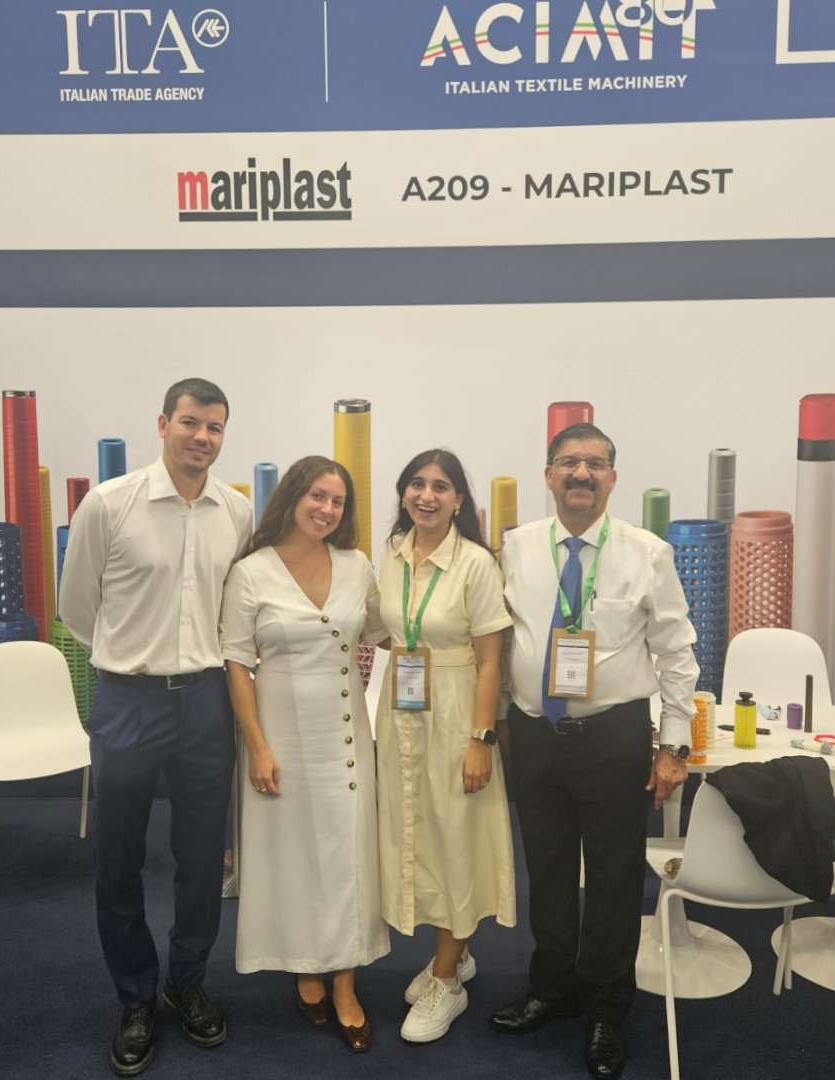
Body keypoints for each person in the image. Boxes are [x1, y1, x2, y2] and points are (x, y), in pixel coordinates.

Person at [490, 422, 698, 1080]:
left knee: (613, 878)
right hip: (534, 735)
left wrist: (673, 744)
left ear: (612, 477)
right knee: (547, 871)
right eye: (569, 462)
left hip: (613, 735)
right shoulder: (516, 547)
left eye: (595, 463)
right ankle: (552, 989)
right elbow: (501, 639)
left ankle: (607, 1008)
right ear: (548, 475)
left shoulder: (647, 553)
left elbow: (675, 653)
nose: (581, 473)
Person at [59, 378, 251, 1077]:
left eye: (215, 427)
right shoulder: (110, 504)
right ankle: (136, 997)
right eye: (191, 422)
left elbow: (237, 608)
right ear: (164, 424)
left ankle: (186, 983)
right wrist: (131, 660)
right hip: (128, 700)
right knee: (119, 859)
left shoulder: (237, 511)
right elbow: (77, 607)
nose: (203, 437)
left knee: (203, 860)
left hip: (206, 702)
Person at [221, 456, 389, 1053]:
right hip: (280, 737)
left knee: (347, 855)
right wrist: (257, 746)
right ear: (293, 496)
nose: (327, 509)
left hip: (345, 738)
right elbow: (236, 663)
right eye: (317, 495)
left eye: (338, 501)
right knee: (292, 855)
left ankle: (344, 981)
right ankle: (304, 964)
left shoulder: (357, 566)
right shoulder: (251, 573)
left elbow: (385, 632)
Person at [375, 449, 516, 1043]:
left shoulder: (476, 564)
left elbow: (492, 663)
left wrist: (480, 740)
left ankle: (446, 981)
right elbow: (383, 630)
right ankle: (455, 955)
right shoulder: (391, 552)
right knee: (415, 833)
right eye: (416, 484)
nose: (426, 495)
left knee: (456, 839)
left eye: (440, 486)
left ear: (460, 500)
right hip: (403, 713)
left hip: (457, 713)